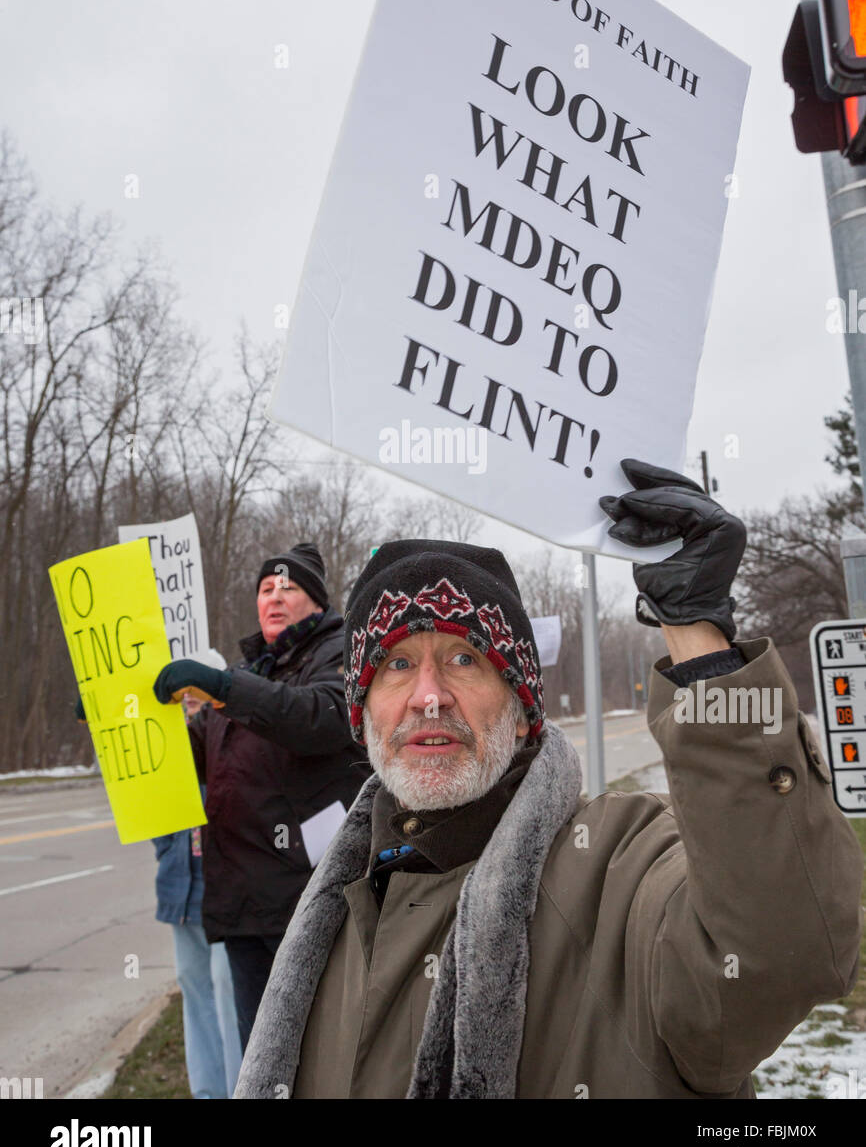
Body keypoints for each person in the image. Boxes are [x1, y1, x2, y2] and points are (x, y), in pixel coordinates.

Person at [233, 461, 864, 1100]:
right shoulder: (333, 914)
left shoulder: (619, 863)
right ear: (361, 708)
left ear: (522, 707)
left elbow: (778, 950)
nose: (429, 696)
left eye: (463, 659)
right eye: (397, 664)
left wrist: (699, 637)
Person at [152, 543, 370, 1051]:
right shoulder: (245, 674)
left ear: (316, 602)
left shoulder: (340, 651)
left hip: (305, 897)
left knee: (318, 1053)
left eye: (289, 587)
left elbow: (316, 717)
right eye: (266, 589)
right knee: (261, 1056)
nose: (274, 596)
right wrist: (119, 718)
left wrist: (224, 687)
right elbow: (192, 753)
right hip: (241, 901)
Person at [152, 692, 242, 1099]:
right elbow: (143, 796)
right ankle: (207, 1092)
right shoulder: (170, 751)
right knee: (195, 993)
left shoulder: (225, 745)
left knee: (228, 994)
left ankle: (240, 1086)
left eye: (196, 699)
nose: (189, 708)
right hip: (182, 895)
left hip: (225, 894)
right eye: (182, 701)